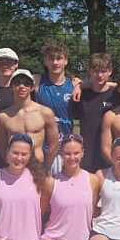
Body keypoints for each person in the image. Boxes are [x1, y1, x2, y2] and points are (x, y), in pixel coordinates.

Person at [32, 135, 97, 240]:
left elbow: (94, 210)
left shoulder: (92, 180)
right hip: (54, 239)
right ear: (61, 154)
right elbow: (42, 211)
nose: (72, 157)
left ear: (82, 153)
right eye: (67, 153)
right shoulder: (51, 181)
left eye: (76, 153)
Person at [0, 68, 59, 171]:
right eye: (17, 83)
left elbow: (54, 144)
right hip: (14, 169)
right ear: (11, 86)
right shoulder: (2, 116)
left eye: (26, 83)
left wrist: (46, 167)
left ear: (32, 87)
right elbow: (2, 148)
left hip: (38, 166)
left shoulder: (45, 113)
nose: (22, 86)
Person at [36, 42, 82, 170]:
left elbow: (106, 85)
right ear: (45, 61)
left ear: (66, 61)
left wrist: (80, 85)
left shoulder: (73, 84)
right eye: (51, 59)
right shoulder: (37, 82)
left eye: (59, 58)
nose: (55, 62)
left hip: (65, 148)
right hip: (42, 147)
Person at [75, 52, 119, 172]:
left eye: (103, 71)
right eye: (95, 71)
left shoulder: (117, 95)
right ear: (90, 71)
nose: (99, 75)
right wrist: (79, 85)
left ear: (110, 71)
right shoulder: (81, 95)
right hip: (86, 157)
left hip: (110, 157)